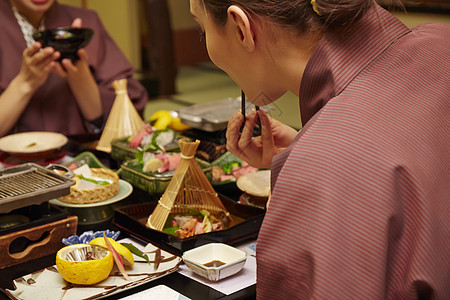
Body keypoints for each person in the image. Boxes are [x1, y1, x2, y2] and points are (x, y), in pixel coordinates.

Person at [190, 0, 449, 299]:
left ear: (241, 28)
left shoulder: (325, 163)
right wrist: (309, 143)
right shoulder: (441, 42)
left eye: (201, 28)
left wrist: (313, 160)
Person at [0, 0, 148, 137]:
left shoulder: (87, 22)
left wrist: (80, 78)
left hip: (80, 160)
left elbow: (126, 117)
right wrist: (24, 84)